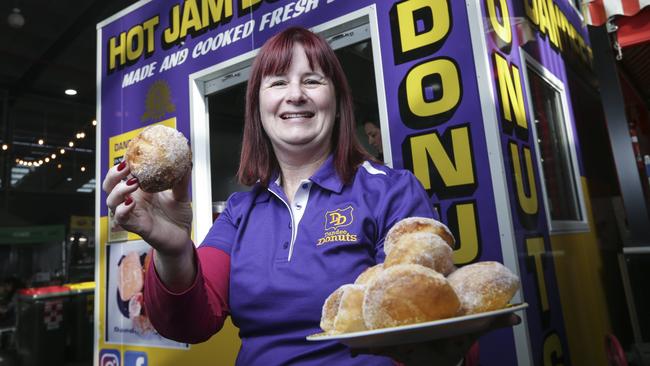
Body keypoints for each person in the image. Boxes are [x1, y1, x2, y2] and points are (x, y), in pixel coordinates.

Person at [103, 27, 517, 365]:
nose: (295, 94)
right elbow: (191, 324)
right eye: (278, 81)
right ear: (258, 107)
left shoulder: (390, 191)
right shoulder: (240, 212)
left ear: (336, 103)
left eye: (313, 80)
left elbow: (430, 313)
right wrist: (173, 248)